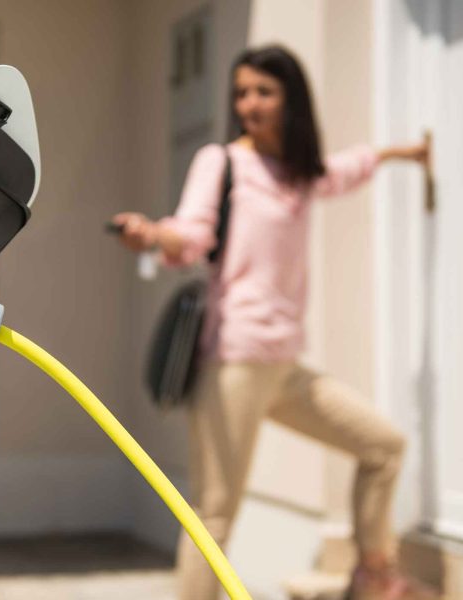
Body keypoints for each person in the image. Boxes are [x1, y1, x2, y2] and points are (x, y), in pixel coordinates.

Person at [112, 45, 433, 600]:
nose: (249, 104)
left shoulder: (301, 174)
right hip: (234, 361)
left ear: (291, 100)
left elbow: (350, 166)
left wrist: (408, 153)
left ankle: (373, 577)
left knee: (383, 446)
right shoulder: (223, 162)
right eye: (241, 92)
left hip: (283, 366)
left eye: (263, 91)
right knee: (214, 517)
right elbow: (192, 233)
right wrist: (153, 235)